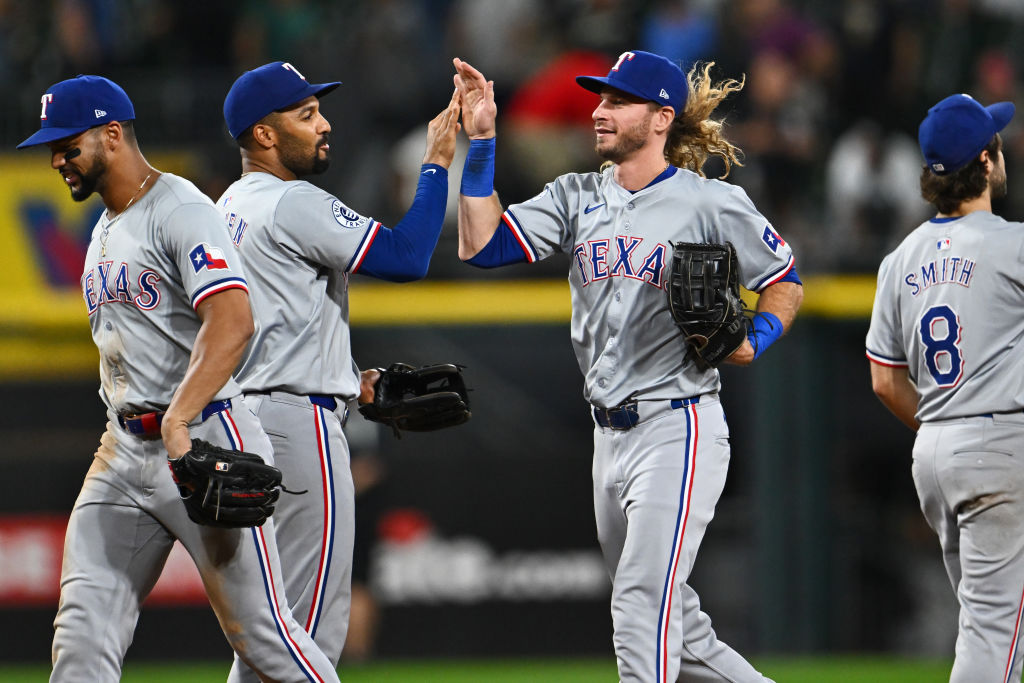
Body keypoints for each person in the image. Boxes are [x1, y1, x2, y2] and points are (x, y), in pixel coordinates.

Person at [453, 51, 803, 683]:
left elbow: (785, 282)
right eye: (601, 99)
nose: (598, 111)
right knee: (680, 628)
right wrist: (481, 143)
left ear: (661, 117)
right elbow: (479, 245)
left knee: (640, 606)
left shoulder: (712, 203)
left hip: (679, 426)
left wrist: (758, 337)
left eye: (617, 101)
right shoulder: (575, 195)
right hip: (606, 438)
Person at [17, 75, 341, 682]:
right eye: (52, 148)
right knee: (81, 638)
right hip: (122, 451)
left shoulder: (181, 208)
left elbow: (232, 319)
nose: (57, 159)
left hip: (204, 438)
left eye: (67, 144)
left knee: (264, 639)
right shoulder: (105, 230)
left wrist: (179, 418)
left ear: (112, 134)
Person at [216, 61, 460, 680]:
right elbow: (406, 258)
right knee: (309, 632)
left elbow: (264, 325)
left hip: (244, 419)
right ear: (263, 135)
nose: (324, 124)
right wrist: (435, 164)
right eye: (306, 115)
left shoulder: (226, 206)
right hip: (297, 427)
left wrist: (349, 378)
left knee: (272, 632)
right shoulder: (291, 200)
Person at [867, 93, 1023, 682]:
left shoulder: (899, 258)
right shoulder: (1012, 245)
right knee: (993, 632)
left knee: (994, 625)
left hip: (935, 450)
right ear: (985, 161)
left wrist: (945, 424)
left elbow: (885, 380)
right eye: (997, 145)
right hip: (998, 444)